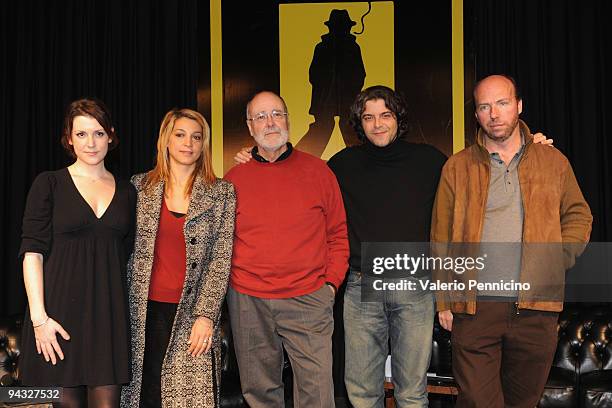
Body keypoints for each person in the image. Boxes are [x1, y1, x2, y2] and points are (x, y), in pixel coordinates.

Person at [233, 86, 554, 407]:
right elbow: (290, 185)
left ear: (398, 118)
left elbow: (478, 177)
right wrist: (251, 158)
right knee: (361, 391)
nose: (377, 124)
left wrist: (523, 148)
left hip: (414, 287)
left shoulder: (430, 161)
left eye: (385, 115)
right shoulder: (339, 165)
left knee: (412, 391)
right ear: (359, 123)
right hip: (362, 288)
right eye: (368, 117)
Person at [432, 74, 592, 407]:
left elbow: (579, 216)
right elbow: (440, 237)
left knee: (524, 402)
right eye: (484, 106)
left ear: (518, 105)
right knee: (477, 401)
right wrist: (444, 300)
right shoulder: (456, 167)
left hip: (536, 308)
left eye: (502, 103)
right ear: (476, 115)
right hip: (474, 308)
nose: (494, 114)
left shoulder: (553, 162)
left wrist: (556, 258)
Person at [224, 91, 349, 408]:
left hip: (308, 297)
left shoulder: (319, 172)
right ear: (250, 127)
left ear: (288, 120)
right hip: (248, 299)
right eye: (261, 116)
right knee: (259, 391)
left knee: (317, 394)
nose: (270, 122)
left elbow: (338, 234)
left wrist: (330, 286)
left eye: (277, 114)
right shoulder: (233, 179)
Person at [19, 98, 135, 407]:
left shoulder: (128, 191)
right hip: (57, 321)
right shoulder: (49, 184)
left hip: (107, 320)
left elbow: (126, 255)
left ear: (110, 135)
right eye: (81, 134)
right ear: (69, 138)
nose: (91, 143)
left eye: (98, 133)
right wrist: (39, 319)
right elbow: (32, 253)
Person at [120, 109, 235, 407]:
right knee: (145, 396)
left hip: (192, 316)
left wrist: (206, 315)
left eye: (196, 137)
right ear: (166, 140)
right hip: (141, 312)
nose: (188, 143)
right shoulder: (139, 187)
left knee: (190, 399)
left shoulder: (221, 193)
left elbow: (220, 259)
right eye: (180, 135)